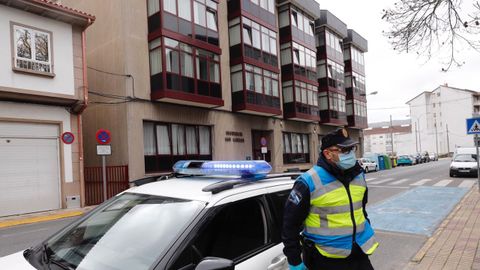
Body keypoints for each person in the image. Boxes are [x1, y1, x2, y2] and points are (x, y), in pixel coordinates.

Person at [282, 128, 379, 270]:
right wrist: (295, 260)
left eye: (352, 149)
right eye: (345, 151)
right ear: (328, 154)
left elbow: (361, 210)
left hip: (359, 251)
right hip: (325, 258)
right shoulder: (308, 182)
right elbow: (290, 225)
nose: (351, 154)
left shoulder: (358, 175)